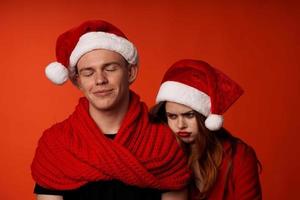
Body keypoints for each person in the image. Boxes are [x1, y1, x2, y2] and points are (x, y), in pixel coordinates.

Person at [31, 20, 190, 200]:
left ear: (130, 73)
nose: (100, 80)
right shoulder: (56, 144)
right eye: (88, 72)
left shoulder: (163, 141)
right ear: (77, 81)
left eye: (110, 68)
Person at [150, 59, 262, 200]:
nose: (180, 125)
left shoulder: (239, 155)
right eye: (172, 116)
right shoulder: (161, 156)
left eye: (189, 115)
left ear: (205, 116)